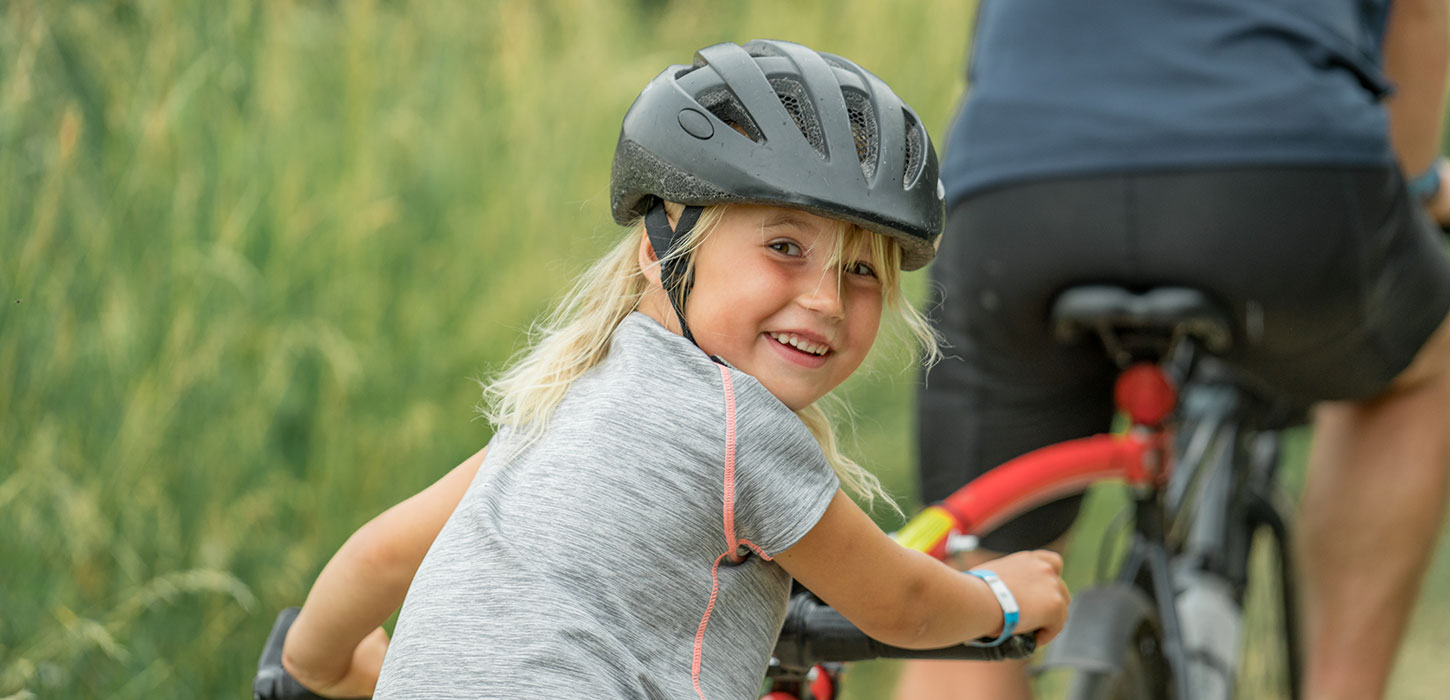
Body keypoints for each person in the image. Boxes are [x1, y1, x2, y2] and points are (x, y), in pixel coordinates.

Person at [264, 39, 1070, 700]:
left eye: (862, 273)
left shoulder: (569, 396)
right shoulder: (735, 426)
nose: (826, 300)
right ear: (661, 250)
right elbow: (901, 602)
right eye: (785, 247)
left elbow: (382, 555)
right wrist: (1001, 600)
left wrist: (320, 664)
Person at [902, 1, 1450, 699]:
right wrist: (1415, 188)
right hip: (1280, 177)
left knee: (973, 582)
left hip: (1020, 187)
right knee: (1420, 359)